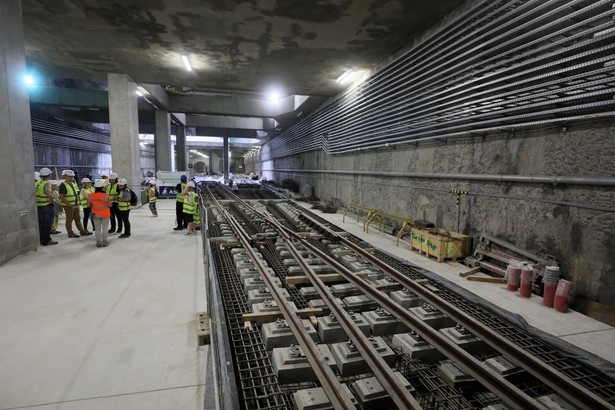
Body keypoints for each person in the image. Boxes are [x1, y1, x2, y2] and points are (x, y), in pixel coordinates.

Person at [58, 169, 91, 238]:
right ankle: (70, 233)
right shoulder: (63, 185)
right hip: (69, 206)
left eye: (72, 176)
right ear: (65, 176)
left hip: (75, 205)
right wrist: (69, 205)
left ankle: (82, 231)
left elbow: (76, 194)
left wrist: (78, 203)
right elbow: (61, 197)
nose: (71, 177)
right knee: (69, 220)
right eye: (70, 176)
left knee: (77, 219)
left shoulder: (73, 184)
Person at [35, 167, 58, 246]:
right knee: (48, 224)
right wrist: (53, 202)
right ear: (48, 175)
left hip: (39, 206)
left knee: (41, 224)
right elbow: (48, 194)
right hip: (47, 206)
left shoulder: (37, 183)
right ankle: (47, 240)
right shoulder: (47, 183)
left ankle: (41, 239)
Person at [87, 179, 111, 247]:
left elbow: (88, 205)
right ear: (102, 187)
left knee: (97, 229)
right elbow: (110, 205)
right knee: (105, 228)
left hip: (95, 214)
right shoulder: (106, 195)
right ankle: (105, 242)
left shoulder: (90, 195)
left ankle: (98, 242)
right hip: (105, 214)